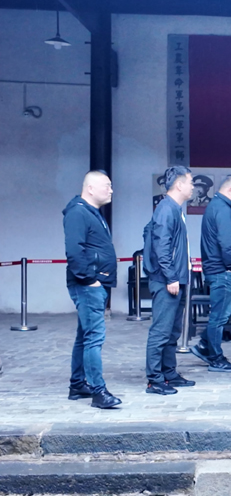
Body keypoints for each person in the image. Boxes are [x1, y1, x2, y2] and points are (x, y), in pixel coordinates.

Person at [63, 170, 121, 409]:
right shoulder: (78, 212)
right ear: (90, 188)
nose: (111, 190)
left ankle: (78, 384)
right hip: (88, 285)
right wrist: (89, 280)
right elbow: (74, 250)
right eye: (107, 185)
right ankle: (99, 391)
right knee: (94, 337)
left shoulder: (91, 212)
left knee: (84, 336)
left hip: (94, 284)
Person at [143, 166, 196, 395]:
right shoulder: (166, 209)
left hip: (175, 279)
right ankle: (154, 379)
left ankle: (169, 373)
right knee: (161, 331)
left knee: (172, 331)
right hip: (167, 280)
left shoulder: (174, 209)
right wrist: (170, 276)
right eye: (190, 182)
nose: (193, 187)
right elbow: (161, 245)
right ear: (179, 184)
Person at [190, 175, 231, 372]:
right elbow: (227, 243)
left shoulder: (215, 206)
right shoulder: (222, 210)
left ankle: (204, 345)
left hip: (217, 269)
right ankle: (215, 358)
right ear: (230, 190)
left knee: (226, 311)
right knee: (220, 316)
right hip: (222, 270)